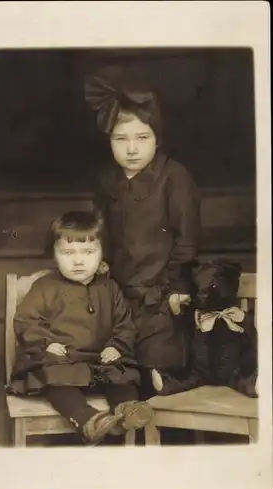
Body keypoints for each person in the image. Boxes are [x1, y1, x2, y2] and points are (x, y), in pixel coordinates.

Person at [84, 69, 201, 398]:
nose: (131, 149)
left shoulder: (173, 176)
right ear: (109, 141)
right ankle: (123, 421)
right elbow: (99, 228)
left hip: (161, 297)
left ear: (157, 138)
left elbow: (187, 236)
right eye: (120, 139)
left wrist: (179, 285)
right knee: (115, 366)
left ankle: (156, 430)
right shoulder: (107, 179)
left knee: (157, 368)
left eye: (142, 137)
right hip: (119, 295)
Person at [6, 210, 153, 445]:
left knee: (124, 375)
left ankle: (127, 411)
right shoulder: (45, 287)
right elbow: (26, 321)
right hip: (62, 360)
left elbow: (124, 324)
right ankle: (88, 420)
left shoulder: (110, 288)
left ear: (102, 253)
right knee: (54, 379)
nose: (78, 260)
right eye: (67, 252)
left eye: (88, 252)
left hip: (100, 361)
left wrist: (116, 346)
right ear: (54, 254)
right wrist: (47, 343)